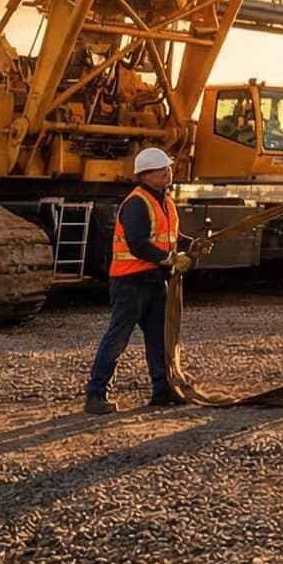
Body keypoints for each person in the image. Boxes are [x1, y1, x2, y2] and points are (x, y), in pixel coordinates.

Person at [84, 146, 189, 415]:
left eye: (168, 168)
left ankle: (163, 389)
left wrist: (192, 248)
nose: (168, 173)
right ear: (145, 175)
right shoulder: (137, 203)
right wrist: (168, 260)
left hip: (154, 281)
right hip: (131, 283)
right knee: (117, 338)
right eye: (162, 169)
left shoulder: (164, 202)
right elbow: (138, 243)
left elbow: (168, 239)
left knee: (159, 338)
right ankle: (96, 395)